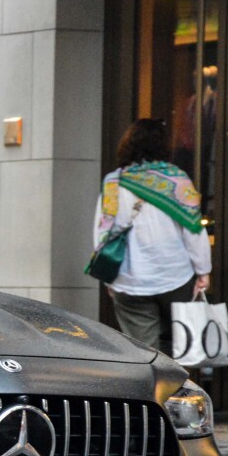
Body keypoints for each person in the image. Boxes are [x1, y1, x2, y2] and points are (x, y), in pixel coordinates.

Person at [92, 118, 212, 358]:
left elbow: (102, 233)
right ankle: (178, 390)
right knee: (183, 344)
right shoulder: (177, 181)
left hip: (129, 280)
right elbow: (193, 228)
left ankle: (153, 392)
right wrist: (203, 270)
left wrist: (109, 277)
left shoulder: (114, 183)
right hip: (176, 278)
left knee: (144, 353)